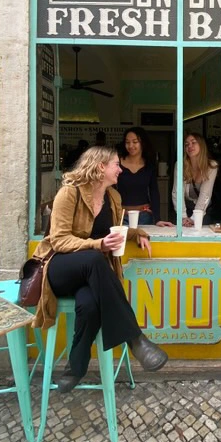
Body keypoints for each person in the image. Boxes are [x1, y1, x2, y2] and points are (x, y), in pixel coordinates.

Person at [31, 146, 168, 393]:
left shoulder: (113, 198)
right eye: (116, 164)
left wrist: (137, 234)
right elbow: (59, 239)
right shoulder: (69, 193)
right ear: (100, 166)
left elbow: (111, 232)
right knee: (95, 258)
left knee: (89, 304)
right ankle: (135, 338)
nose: (121, 169)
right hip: (61, 267)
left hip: (90, 275)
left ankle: (75, 367)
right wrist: (98, 245)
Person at [117, 127, 173, 227]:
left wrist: (157, 219)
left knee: (144, 242)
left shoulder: (149, 165)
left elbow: (154, 192)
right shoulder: (117, 163)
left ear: (142, 143)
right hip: (122, 216)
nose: (130, 146)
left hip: (144, 216)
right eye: (127, 142)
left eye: (135, 142)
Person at [172, 133, 218, 227]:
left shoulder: (211, 166)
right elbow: (177, 192)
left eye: (193, 142)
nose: (190, 146)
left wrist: (194, 219)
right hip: (184, 208)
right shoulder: (180, 165)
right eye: (186, 144)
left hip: (203, 210)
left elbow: (205, 194)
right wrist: (183, 217)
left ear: (201, 145)